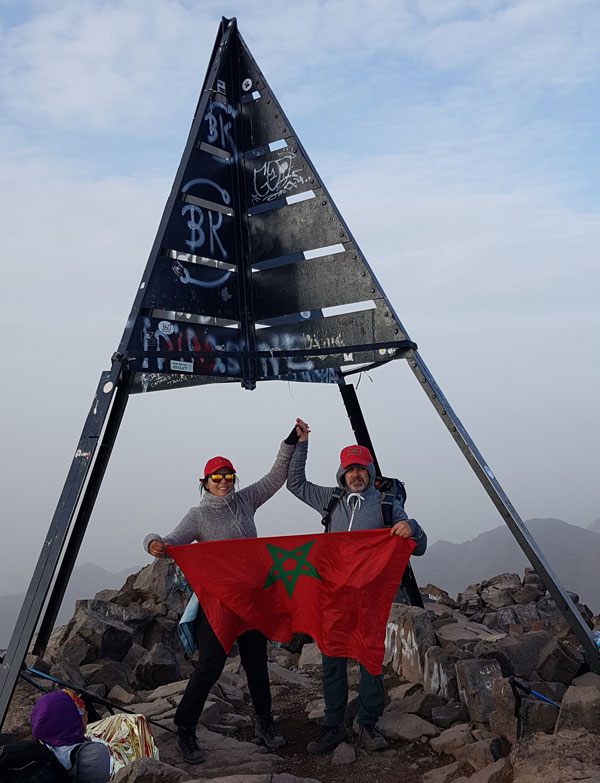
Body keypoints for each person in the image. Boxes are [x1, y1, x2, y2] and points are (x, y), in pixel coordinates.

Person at [144, 426, 300, 765]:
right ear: (205, 482)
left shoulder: (246, 500)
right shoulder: (198, 515)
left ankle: (264, 724)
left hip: (253, 598)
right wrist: (152, 541)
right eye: (217, 477)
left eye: (229, 475)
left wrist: (290, 443)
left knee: (257, 664)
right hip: (218, 603)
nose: (225, 481)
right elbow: (172, 542)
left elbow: (275, 477)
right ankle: (184, 727)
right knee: (209, 667)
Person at [286, 419, 427, 755]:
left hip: (370, 599)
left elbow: (418, 546)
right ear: (341, 473)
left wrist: (412, 527)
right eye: (350, 469)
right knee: (331, 661)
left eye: (361, 468)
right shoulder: (330, 500)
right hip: (333, 596)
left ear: (370, 470)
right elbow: (295, 484)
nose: (355, 475)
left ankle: (367, 723)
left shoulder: (386, 504)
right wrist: (300, 444)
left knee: (370, 660)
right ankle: (333, 726)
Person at [29, 690, 111, 783]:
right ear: (71, 720)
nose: (87, 713)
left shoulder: (37, 748)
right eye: (81, 712)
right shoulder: (94, 753)